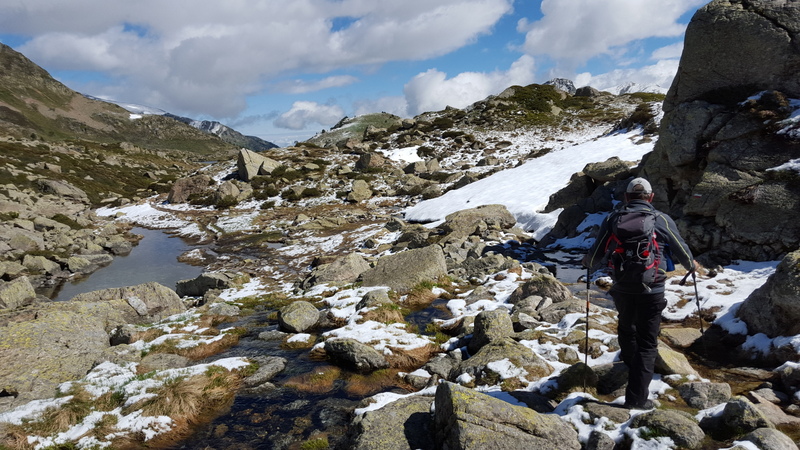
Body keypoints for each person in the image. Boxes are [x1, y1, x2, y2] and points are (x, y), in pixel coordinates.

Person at [583, 177, 696, 409]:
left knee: (626, 328)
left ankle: (630, 366)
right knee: (647, 342)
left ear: (626, 197)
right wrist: (691, 266)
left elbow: (595, 253)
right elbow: (681, 250)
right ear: (651, 197)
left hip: (622, 287)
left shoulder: (613, 218)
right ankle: (636, 400)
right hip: (652, 288)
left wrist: (588, 265)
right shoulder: (661, 219)